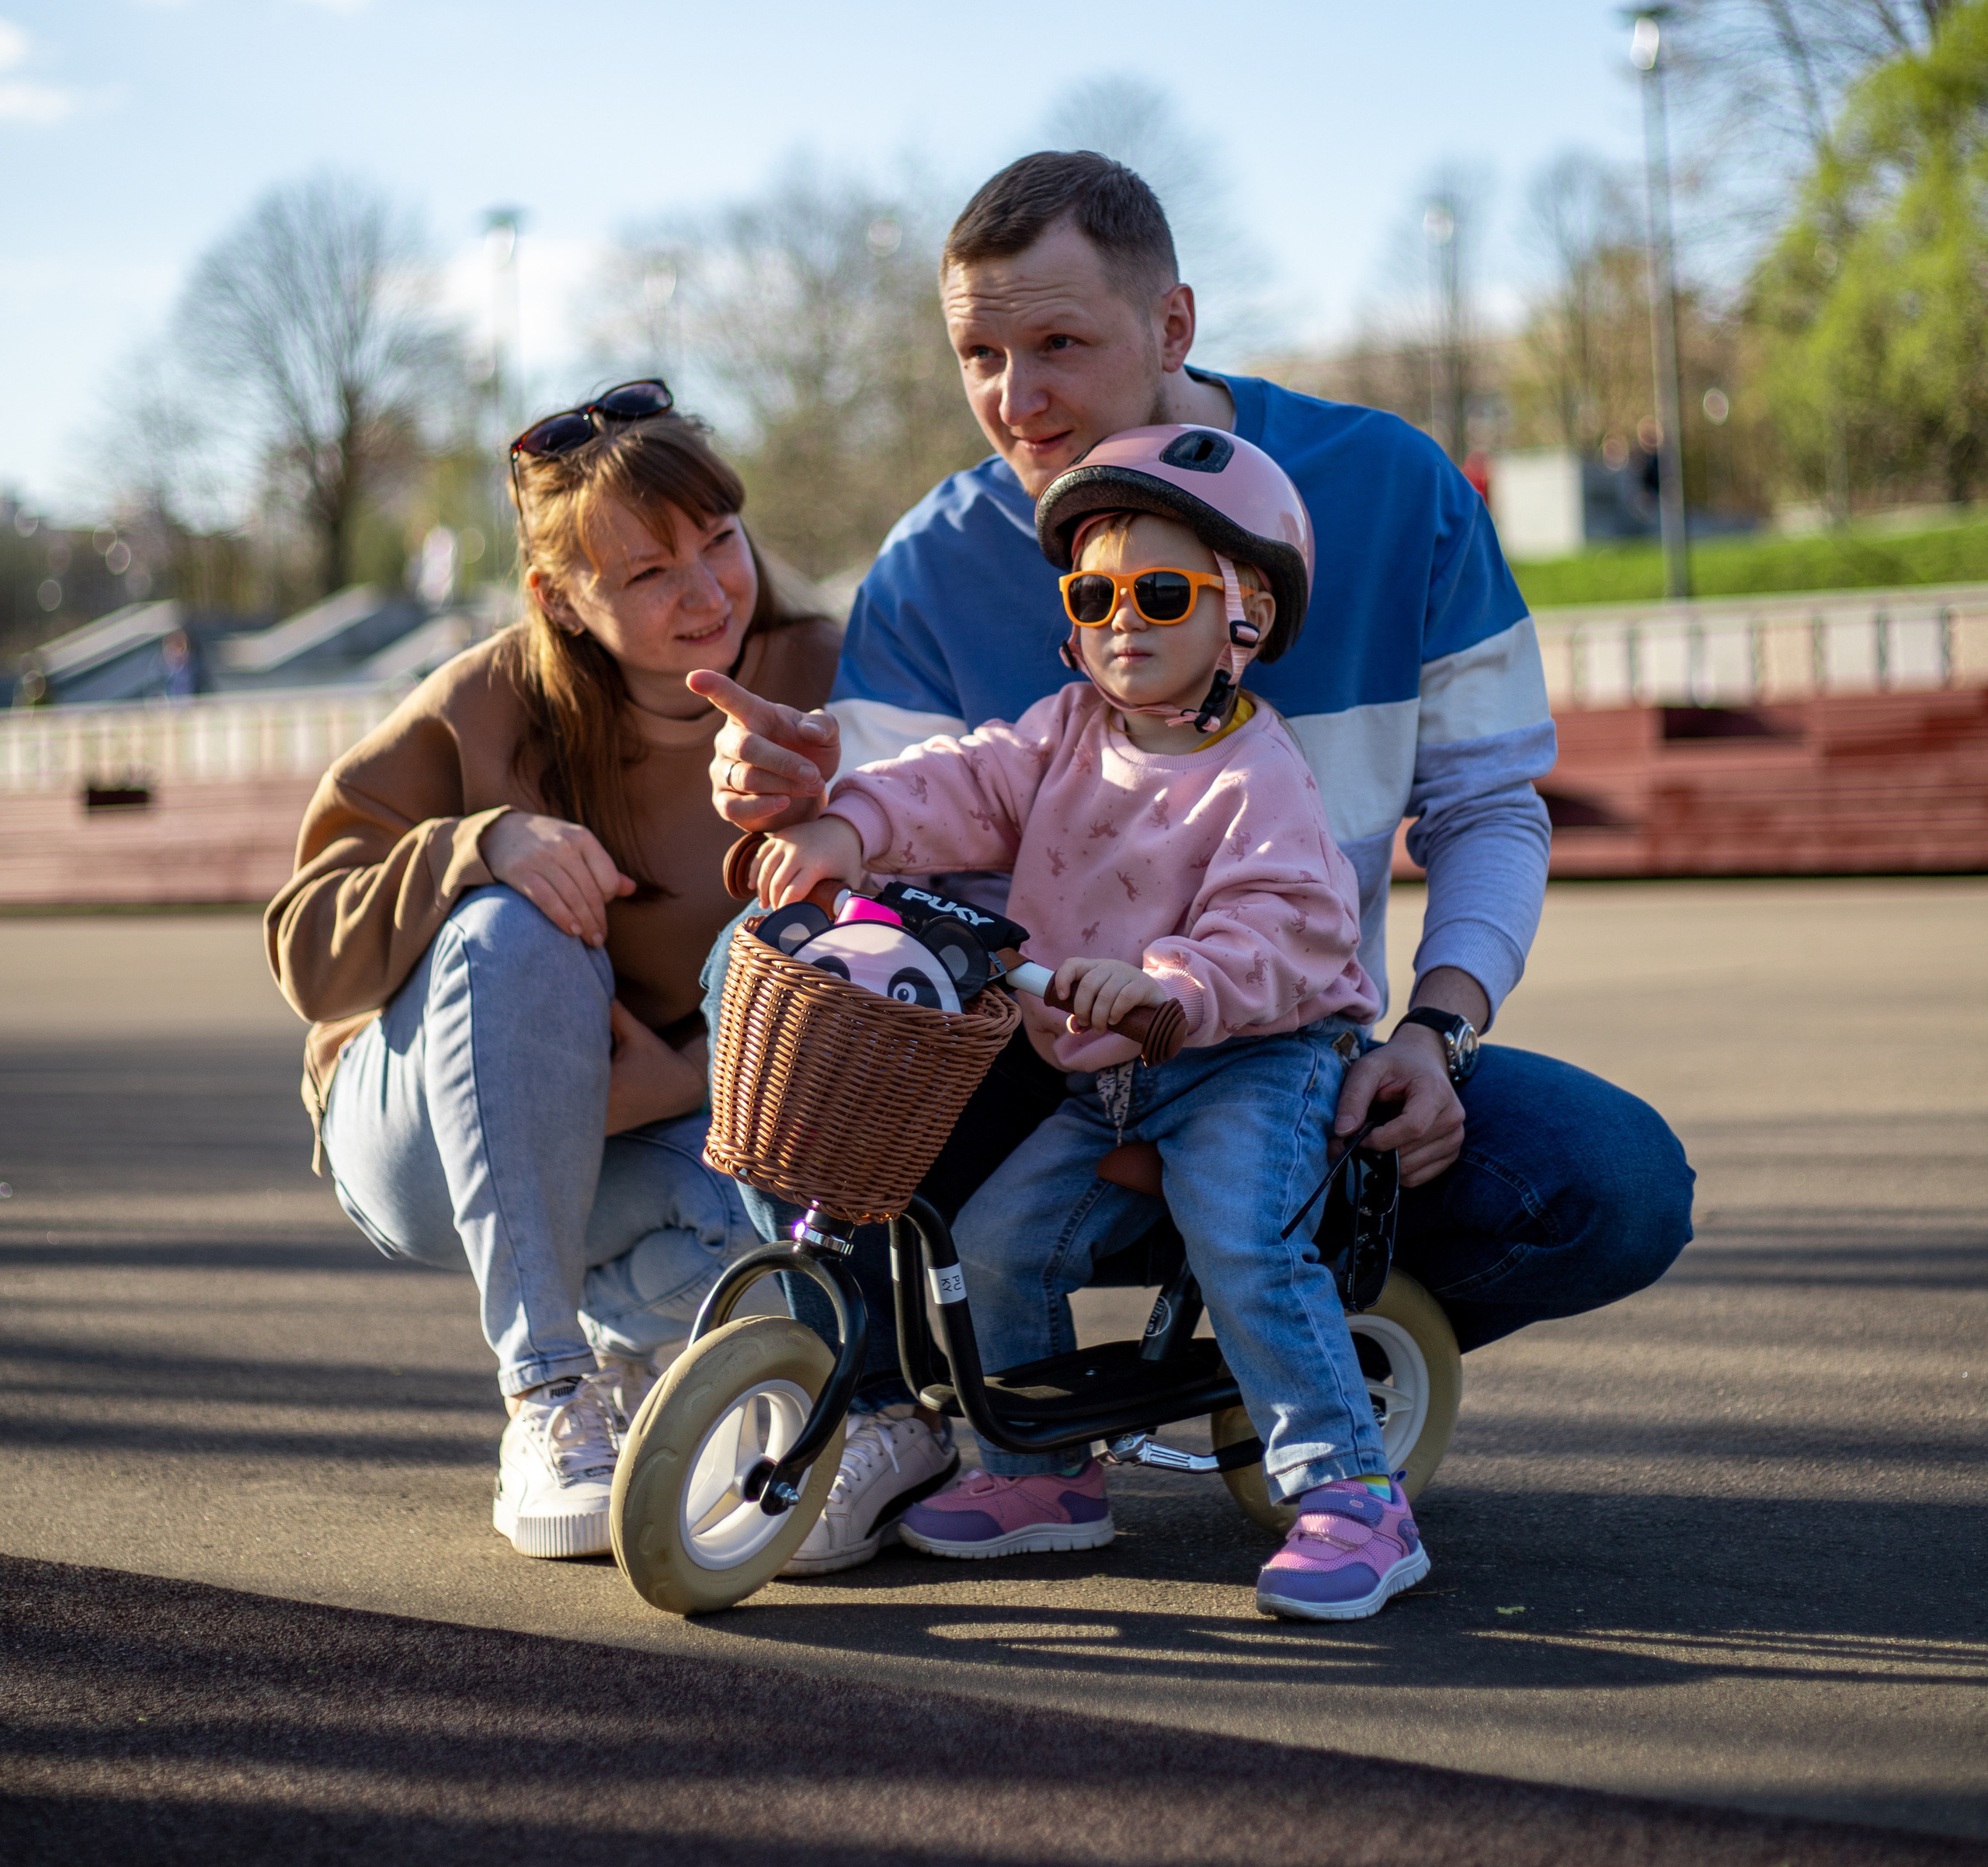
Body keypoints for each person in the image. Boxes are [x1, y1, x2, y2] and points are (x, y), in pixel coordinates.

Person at [698, 149, 1694, 1575]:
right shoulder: (939, 556)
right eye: (978, 355)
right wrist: (822, 813)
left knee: (1607, 1178)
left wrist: (1439, 1033)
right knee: (767, 966)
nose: (1015, 399)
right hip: (1043, 1042)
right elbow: (931, 820)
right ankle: (911, 1397)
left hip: (1268, 1033)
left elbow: (1487, 803)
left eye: (1059, 345)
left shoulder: (1388, 490)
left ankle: (1289, 1375)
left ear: (1173, 325)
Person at [752, 433, 1437, 1622]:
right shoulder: (1064, 732)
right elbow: (958, 782)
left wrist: (1168, 981)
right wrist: (849, 828)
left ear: (1247, 612)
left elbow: (1289, 926)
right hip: (1105, 1075)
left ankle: (1352, 1494)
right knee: (999, 1243)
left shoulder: (1258, 773)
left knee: (1245, 1242)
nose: (1125, 619)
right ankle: (1044, 1478)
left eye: (1162, 594)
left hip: (1253, 1060)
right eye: (1095, 594)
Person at [266, 386, 841, 1561]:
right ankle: (547, 1395)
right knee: (515, 928)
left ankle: (640, 1340)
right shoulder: (484, 703)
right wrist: (475, 847)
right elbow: (307, 952)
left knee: (809, 1309)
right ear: (561, 601)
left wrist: (684, 1077)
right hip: (426, 1142)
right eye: (646, 575)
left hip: (661, 1129)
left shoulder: (824, 673)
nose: (706, 591)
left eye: (718, 541)